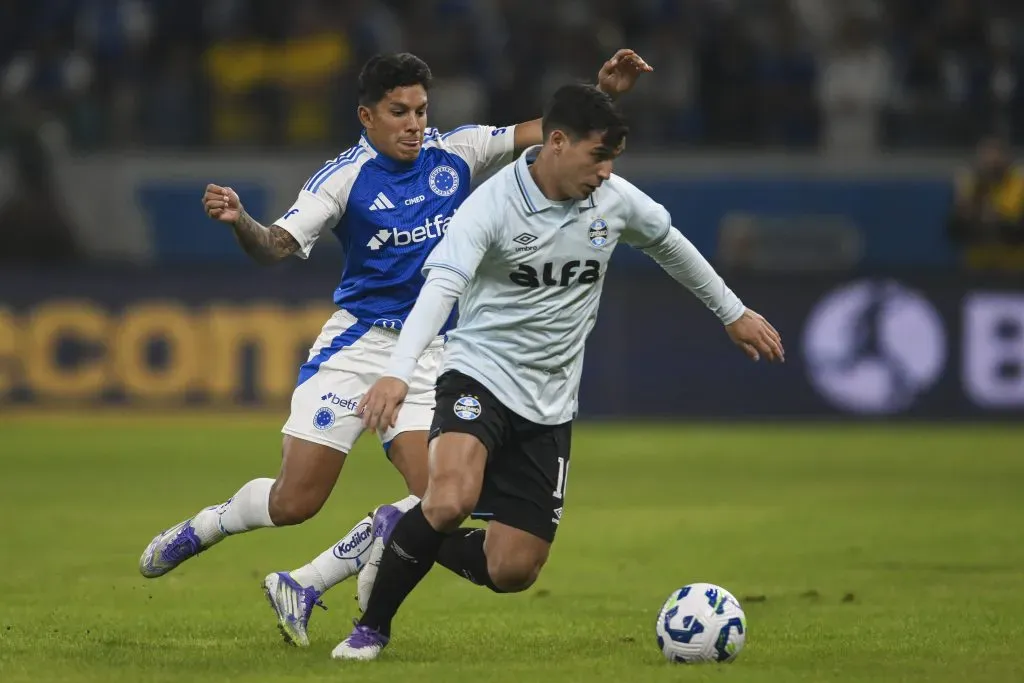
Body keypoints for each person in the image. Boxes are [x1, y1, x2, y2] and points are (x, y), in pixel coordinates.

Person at [137, 51, 653, 648]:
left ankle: (305, 583)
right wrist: (240, 221)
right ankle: (207, 527)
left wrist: (603, 92)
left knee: (438, 498)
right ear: (367, 116)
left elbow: (555, 133)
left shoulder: (457, 151)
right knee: (296, 499)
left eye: (421, 110)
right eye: (399, 111)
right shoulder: (343, 177)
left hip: (435, 355)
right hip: (357, 347)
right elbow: (276, 245)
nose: (414, 123)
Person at [334, 82, 785, 661]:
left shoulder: (615, 201)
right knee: (450, 498)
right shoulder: (492, 206)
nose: (605, 172)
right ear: (556, 142)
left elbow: (670, 244)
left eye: (613, 160)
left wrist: (733, 312)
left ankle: (393, 531)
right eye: (598, 157)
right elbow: (440, 287)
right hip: (478, 375)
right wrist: (398, 373)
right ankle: (370, 629)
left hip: (549, 401)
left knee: (513, 569)